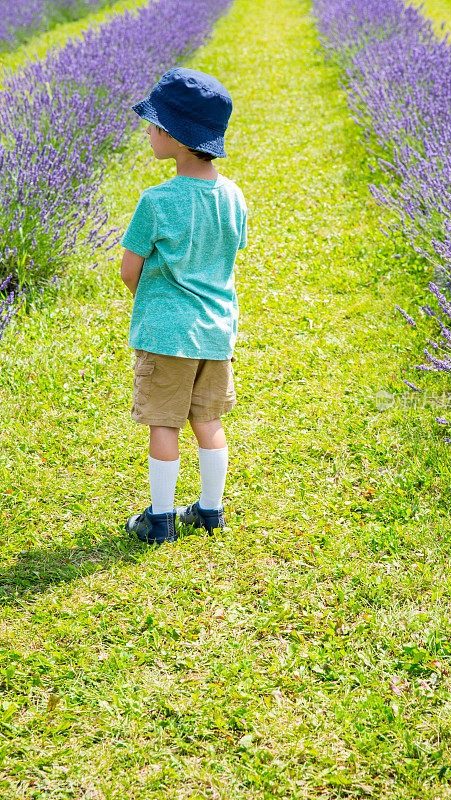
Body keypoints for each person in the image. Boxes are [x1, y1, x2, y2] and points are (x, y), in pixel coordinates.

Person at [119, 67, 247, 546]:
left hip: (168, 335)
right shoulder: (234, 196)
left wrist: (152, 303)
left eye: (153, 125)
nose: (149, 132)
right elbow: (226, 258)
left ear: (173, 135)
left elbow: (130, 271)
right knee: (208, 421)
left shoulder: (155, 201)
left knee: (163, 421)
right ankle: (211, 511)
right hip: (216, 334)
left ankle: (160, 519)